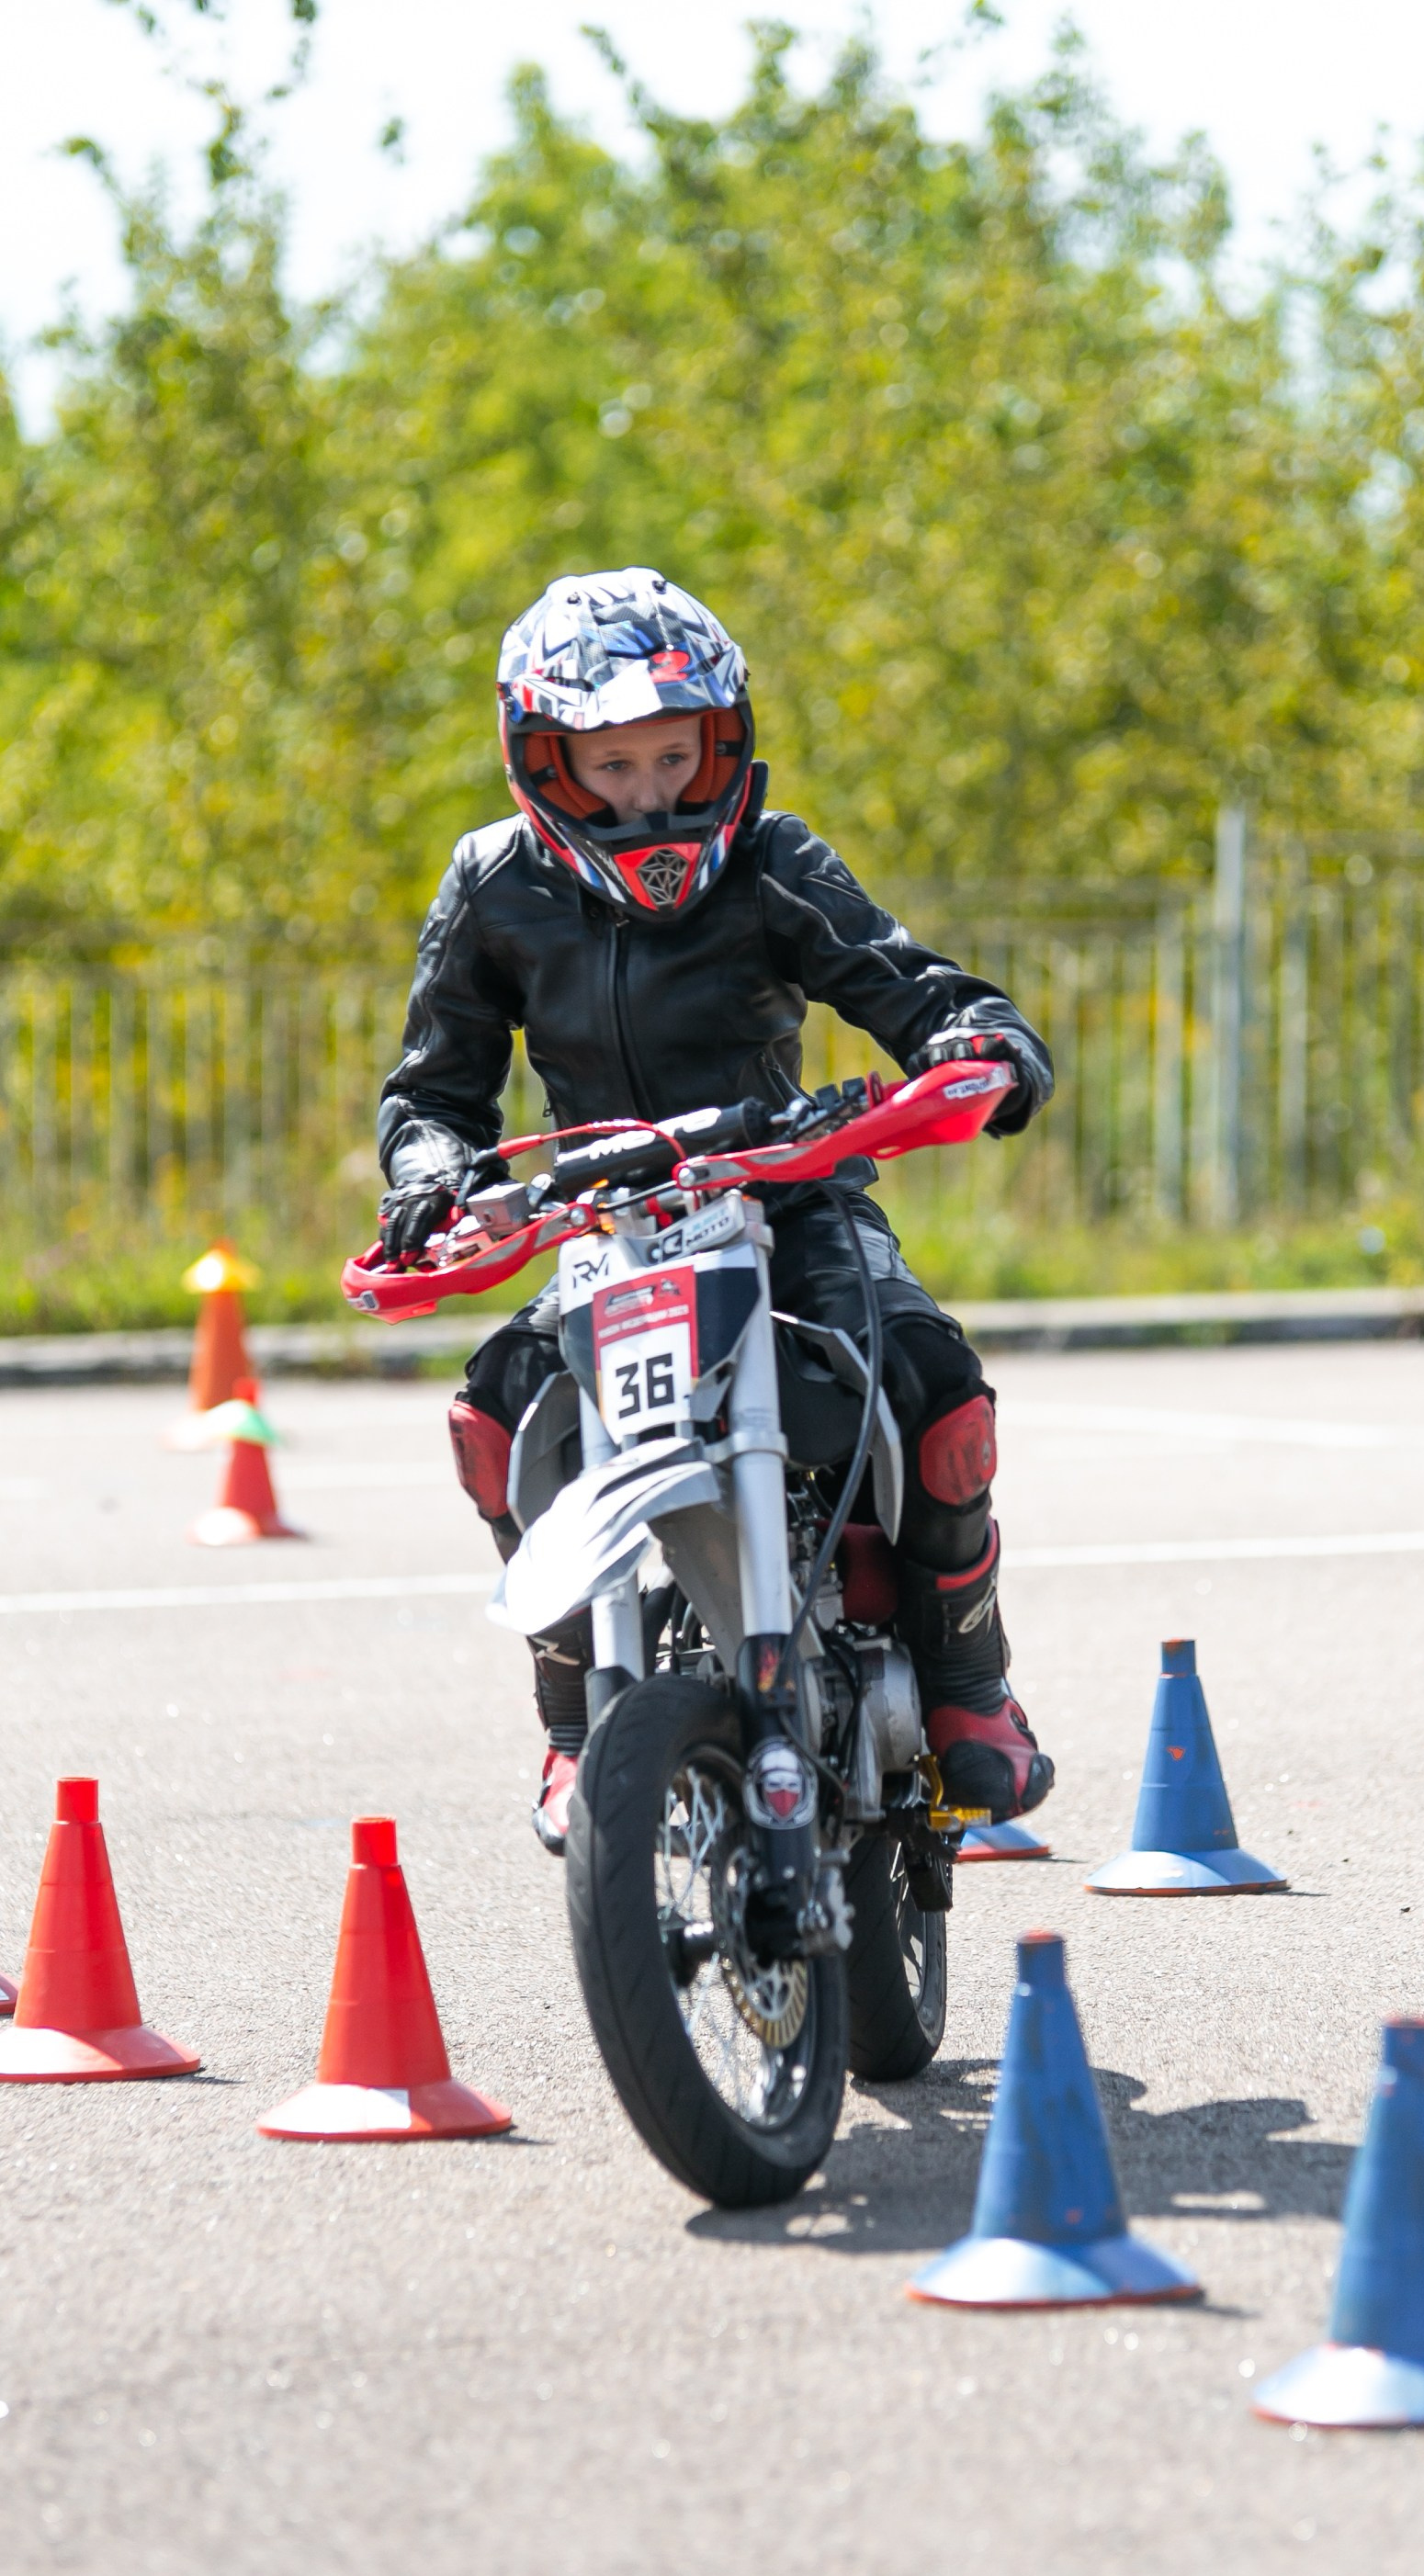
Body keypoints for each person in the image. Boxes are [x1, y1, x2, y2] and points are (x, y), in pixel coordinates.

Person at [376, 568, 1056, 1855]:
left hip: (789, 1200)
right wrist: (429, 1179)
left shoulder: (772, 859)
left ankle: (971, 1692)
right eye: (614, 764)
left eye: (676, 756)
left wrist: (980, 1037)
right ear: (549, 761)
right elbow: (435, 1090)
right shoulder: (492, 885)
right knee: (493, 1416)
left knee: (932, 1380)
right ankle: (578, 1724)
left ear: (722, 742)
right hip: (605, 1230)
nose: (651, 793)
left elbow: (900, 981)